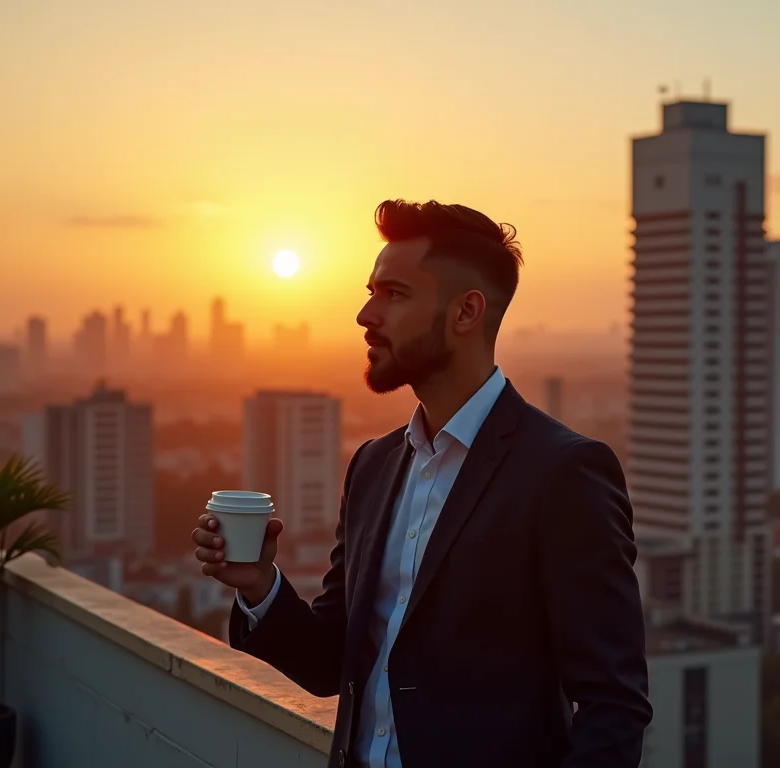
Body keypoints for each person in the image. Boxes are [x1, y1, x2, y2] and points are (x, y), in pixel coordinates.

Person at [192, 199, 651, 768]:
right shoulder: (374, 467)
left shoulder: (564, 473)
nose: (366, 314)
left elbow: (614, 706)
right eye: (371, 291)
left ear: (466, 313)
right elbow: (331, 662)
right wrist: (260, 587)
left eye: (395, 294)